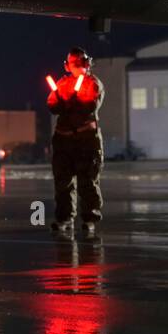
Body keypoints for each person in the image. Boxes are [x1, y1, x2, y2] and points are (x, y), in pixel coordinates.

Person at [46, 47, 104, 237]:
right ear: (67, 65)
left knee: (88, 181)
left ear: (87, 64)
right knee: (63, 182)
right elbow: (52, 105)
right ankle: (64, 218)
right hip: (64, 141)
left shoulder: (92, 83)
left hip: (86, 141)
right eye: (73, 63)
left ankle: (89, 219)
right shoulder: (63, 83)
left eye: (80, 62)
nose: (77, 66)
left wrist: (73, 103)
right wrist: (59, 102)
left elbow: (91, 104)